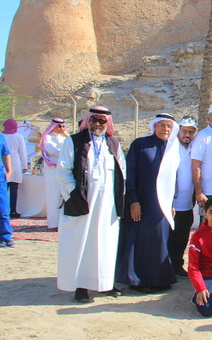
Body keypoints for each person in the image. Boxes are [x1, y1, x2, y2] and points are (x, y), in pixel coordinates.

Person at [56, 106, 126, 302]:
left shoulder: (113, 144)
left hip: (107, 206)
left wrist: (119, 198)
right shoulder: (73, 142)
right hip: (81, 203)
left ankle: (104, 283)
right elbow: (63, 171)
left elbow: (122, 172)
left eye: (102, 121)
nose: (97, 124)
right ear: (87, 121)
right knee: (81, 243)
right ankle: (80, 286)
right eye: (94, 120)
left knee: (105, 244)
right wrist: (73, 196)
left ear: (107, 123)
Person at [117, 113, 180, 293]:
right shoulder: (140, 144)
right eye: (162, 125)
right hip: (142, 202)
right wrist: (133, 201)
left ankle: (159, 279)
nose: (165, 129)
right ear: (154, 126)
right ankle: (138, 280)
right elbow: (130, 173)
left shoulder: (172, 148)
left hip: (162, 205)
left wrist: (172, 202)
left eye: (169, 126)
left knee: (159, 240)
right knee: (141, 239)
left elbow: (173, 177)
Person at [169, 116, 198, 278]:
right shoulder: (171, 147)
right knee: (169, 238)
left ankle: (177, 265)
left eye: (191, 132)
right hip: (171, 204)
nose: (187, 135)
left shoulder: (195, 148)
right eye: (184, 131)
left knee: (182, 238)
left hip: (187, 204)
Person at [40, 117, 70, 229]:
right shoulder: (47, 138)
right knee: (54, 196)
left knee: (64, 196)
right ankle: (53, 223)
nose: (61, 128)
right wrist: (66, 151)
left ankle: (63, 223)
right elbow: (53, 151)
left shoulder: (64, 138)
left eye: (63, 126)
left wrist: (67, 136)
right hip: (52, 170)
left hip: (64, 169)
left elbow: (73, 147)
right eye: (59, 126)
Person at [2, 119, 28, 218]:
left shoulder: (1, 136)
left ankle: (3, 211)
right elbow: (23, 152)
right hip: (15, 164)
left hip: (3, 164)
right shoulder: (18, 136)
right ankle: (13, 211)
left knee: (3, 190)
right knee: (14, 190)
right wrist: (25, 166)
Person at [0, 132, 13, 247]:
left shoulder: (1, 137)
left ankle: (5, 237)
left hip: (0, 177)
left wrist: (9, 171)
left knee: (3, 208)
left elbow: (6, 154)